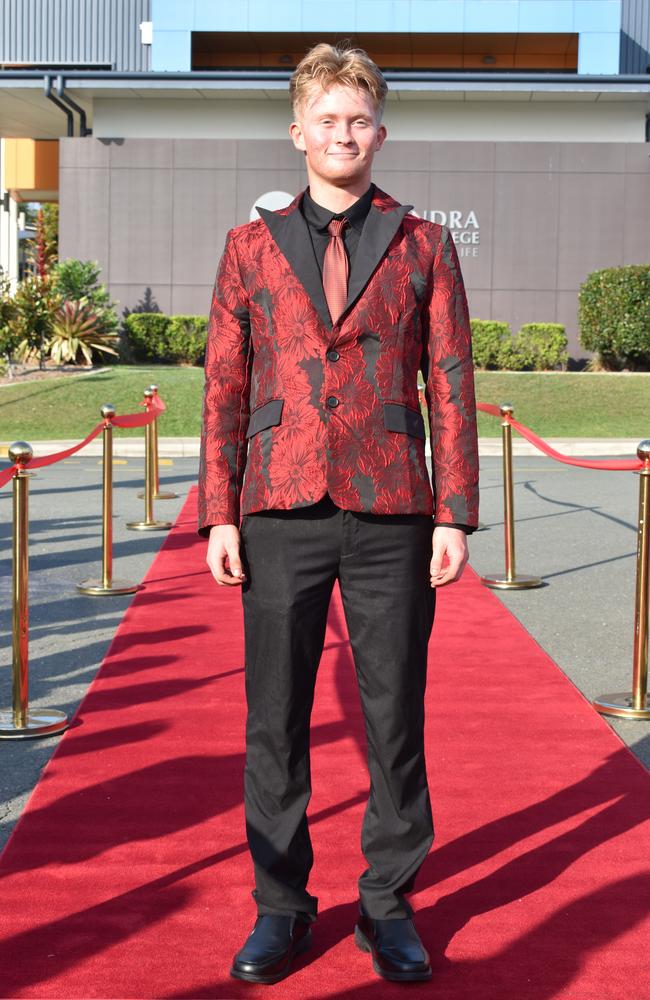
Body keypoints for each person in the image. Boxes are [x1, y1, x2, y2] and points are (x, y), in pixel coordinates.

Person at [197, 42, 479, 985]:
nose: (342, 134)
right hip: (277, 505)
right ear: (297, 133)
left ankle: (387, 904)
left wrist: (455, 512)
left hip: (394, 506)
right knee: (273, 719)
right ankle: (280, 906)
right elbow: (224, 387)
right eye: (326, 119)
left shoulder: (424, 243)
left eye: (357, 119)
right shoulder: (247, 249)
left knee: (394, 715)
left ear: (379, 132)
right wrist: (219, 513)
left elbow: (450, 383)